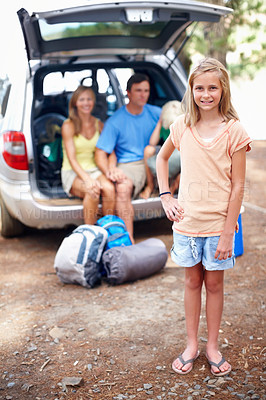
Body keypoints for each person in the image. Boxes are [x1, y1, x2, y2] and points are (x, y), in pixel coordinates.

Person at [156, 58, 252, 376]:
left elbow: (238, 185)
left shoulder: (234, 130)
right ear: (191, 90)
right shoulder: (182, 126)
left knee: (214, 284)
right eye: (200, 88)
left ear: (222, 89)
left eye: (213, 87)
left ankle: (212, 346)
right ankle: (191, 345)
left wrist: (228, 232)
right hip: (187, 223)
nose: (206, 94)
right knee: (191, 281)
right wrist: (165, 196)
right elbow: (161, 158)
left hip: (218, 226)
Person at [95, 73, 161, 240]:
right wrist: (109, 171)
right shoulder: (115, 121)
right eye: (138, 90)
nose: (143, 94)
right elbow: (100, 153)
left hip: (154, 159)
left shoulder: (157, 113)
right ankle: (128, 240)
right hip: (129, 165)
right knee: (123, 188)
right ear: (128, 93)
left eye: (146, 90)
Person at [61, 85, 115, 224]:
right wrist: (87, 179)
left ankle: (107, 230)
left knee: (109, 189)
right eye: (82, 99)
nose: (86, 103)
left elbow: (110, 150)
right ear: (75, 103)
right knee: (92, 192)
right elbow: (72, 159)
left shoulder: (99, 124)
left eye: (89, 99)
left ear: (93, 102)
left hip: (94, 169)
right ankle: (92, 234)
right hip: (72, 172)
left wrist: (111, 169)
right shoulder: (68, 126)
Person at [139, 100, 182, 199]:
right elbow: (152, 143)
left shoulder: (184, 126)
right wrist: (160, 122)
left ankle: (171, 190)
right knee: (148, 150)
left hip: (180, 155)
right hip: (167, 152)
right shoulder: (164, 124)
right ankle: (150, 186)